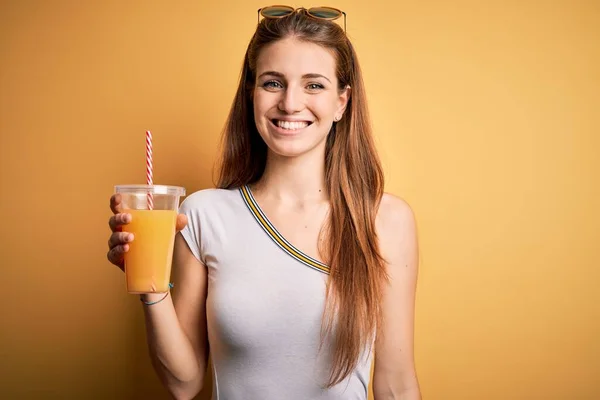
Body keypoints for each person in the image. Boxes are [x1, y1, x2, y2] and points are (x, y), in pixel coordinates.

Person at [107, 7, 421, 400]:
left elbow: (396, 385)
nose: (290, 104)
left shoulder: (386, 221)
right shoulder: (202, 215)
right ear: (251, 93)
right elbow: (183, 384)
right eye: (273, 83)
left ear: (342, 102)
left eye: (314, 85)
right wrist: (149, 282)